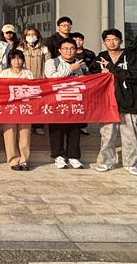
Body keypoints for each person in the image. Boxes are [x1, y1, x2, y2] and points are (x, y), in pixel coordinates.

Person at [90, 29, 137, 176]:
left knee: (130, 135)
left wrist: (111, 68)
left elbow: (133, 75)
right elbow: (91, 76)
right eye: (108, 40)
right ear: (103, 42)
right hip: (107, 103)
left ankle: (131, 164)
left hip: (128, 101)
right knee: (107, 135)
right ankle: (106, 162)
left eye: (114, 39)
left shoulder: (130, 57)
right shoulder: (100, 58)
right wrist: (100, 74)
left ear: (121, 41)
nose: (111, 42)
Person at [44, 38, 88, 170]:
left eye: (72, 48)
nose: (69, 51)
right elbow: (52, 77)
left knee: (74, 129)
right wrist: (70, 69)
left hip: (75, 100)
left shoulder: (81, 64)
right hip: (57, 100)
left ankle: (73, 156)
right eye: (65, 48)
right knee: (56, 129)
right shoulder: (52, 62)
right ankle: (58, 155)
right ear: (59, 50)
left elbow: (87, 81)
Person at [0, 51, 34, 171]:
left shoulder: (28, 73)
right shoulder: (4, 73)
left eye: (19, 58)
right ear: (9, 61)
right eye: (14, 59)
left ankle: (24, 160)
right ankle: (13, 160)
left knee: (25, 133)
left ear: (23, 60)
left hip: (24, 107)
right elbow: (0, 90)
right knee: (10, 133)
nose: (17, 61)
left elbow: (33, 90)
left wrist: (28, 82)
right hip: (9, 107)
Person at [17, 25, 51, 136]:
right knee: (27, 104)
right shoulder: (20, 49)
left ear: (38, 36)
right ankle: (27, 126)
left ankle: (38, 126)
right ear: (24, 36)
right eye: (28, 35)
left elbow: (49, 64)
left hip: (40, 80)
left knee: (39, 104)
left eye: (33, 34)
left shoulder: (44, 49)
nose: (31, 37)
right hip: (26, 80)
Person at [71, 31, 97, 137]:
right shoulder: (68, 53)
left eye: (80, 40)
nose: (78, 42)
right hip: (71, 84)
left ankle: (83, 126)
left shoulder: (89, 54)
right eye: (75, 40)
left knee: (84, 105)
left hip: (86, 83)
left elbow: (94, 68)